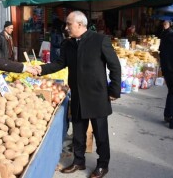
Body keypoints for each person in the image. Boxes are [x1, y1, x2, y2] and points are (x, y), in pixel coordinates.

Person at [35, 11, 121, 178]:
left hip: (97, 96)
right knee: (79, 133)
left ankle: (103, 165)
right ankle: (78, 161)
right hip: (78, 96)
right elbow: (60, 63)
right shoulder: (68, 44)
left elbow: (115, 66)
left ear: (80, 24)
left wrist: (114, 90)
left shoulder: (99, 40)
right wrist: (41, 69)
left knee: (100, 134)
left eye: (69, 24)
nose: (66, 27)